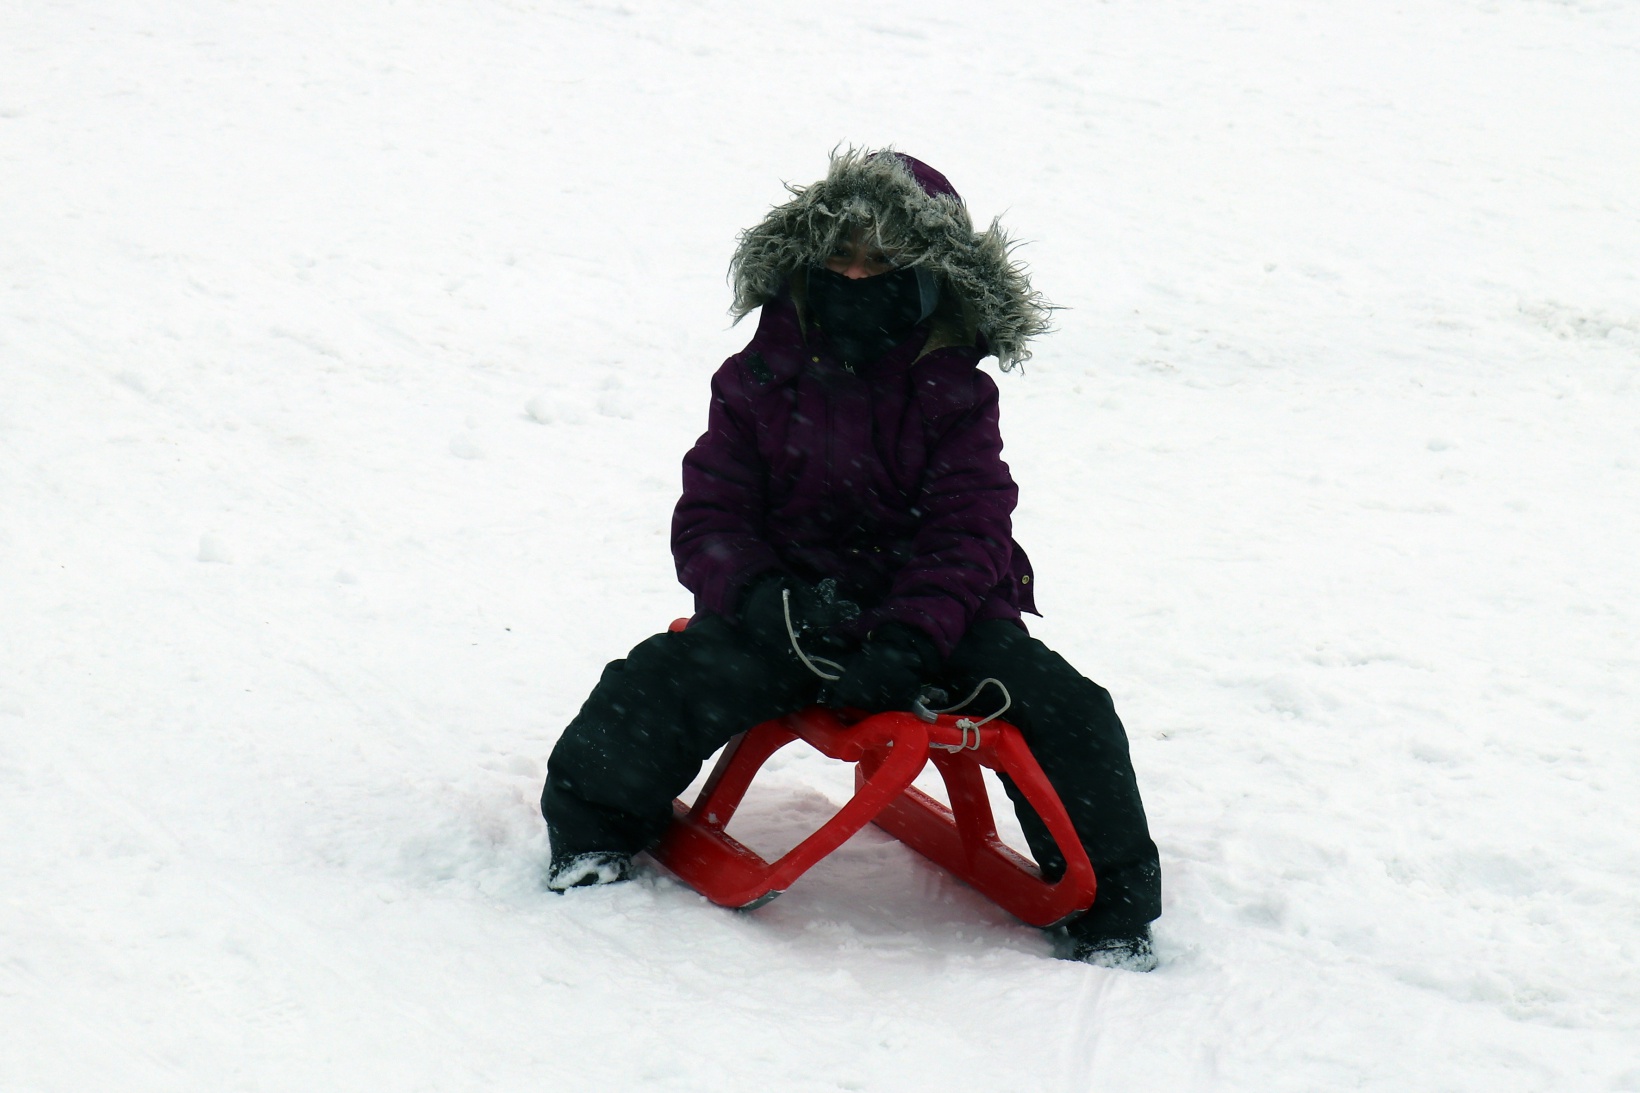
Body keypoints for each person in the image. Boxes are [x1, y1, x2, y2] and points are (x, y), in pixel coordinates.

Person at [540, 149, 1162, 970]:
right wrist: (764, 598)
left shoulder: (954, 392)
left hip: (935, 619)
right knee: (660, 683)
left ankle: (1111, 908)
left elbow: (970, 528)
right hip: (793, 611)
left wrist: (910, 637)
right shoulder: (758, 379)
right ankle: (593, 829)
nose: (857, 277)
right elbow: (712, 510)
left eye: (883, 262)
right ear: (804, 266)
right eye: (839, 259)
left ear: (929, 276)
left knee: (1069, 709)